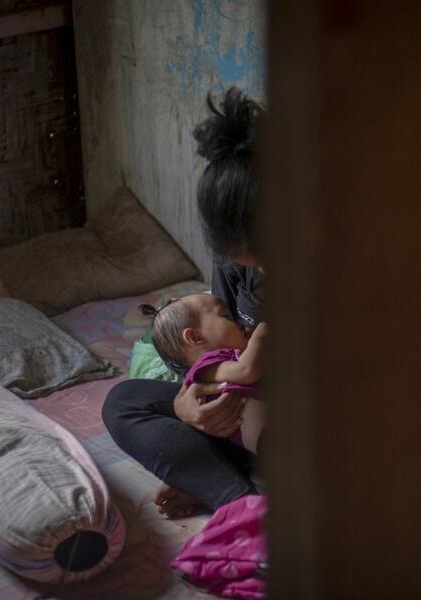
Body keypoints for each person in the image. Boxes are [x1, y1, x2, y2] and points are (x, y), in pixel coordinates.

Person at [102, 87, 265, 519]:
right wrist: (186, 407)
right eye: (246, 262)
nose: (260, 273)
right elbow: (211, 350)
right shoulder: (234, 265)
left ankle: (230, 486)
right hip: (245, 419)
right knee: (124, 402)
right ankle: (239, 500)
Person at [138, 293, 267, 454]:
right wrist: (260, 336)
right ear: (195, 338)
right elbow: (246, 371)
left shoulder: (231, 356)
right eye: (227, 316)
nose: (240, 324)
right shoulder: (205, 366)